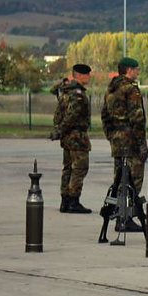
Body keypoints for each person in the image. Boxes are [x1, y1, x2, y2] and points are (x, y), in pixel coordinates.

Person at [101, 56, 147, 231]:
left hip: (117, 140)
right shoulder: (131, 89)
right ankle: (125, 218)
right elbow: (137, 117)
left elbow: (104, 115)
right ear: (129, 70)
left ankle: (119, 214)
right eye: (136, 69)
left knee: (119, 180)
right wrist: (142, 142)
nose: (137, 72)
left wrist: (111, 135)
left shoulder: (111, 89)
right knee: (133, 181)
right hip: (131, 140)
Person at [53, 64, 93, 214]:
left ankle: (65, 200)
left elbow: (54, 92)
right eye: (87, 74)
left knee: (68, 168)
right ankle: (73, 201)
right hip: (77, 136)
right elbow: (72, 116)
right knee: (80, 168)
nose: (89, 77)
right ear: (80, 75)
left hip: (68, 137)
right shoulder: (77, 94)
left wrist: (59, 131)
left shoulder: (66, 91)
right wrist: (61, 130)